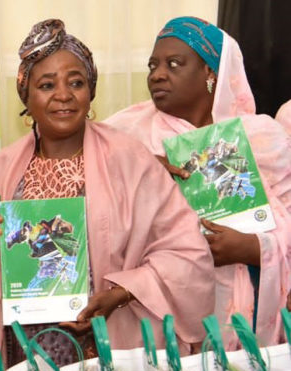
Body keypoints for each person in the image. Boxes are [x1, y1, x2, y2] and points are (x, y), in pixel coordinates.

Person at [0, 19, 214, 366]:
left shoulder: (128, 158)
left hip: (110, 343)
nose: (63, 95)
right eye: (46, 84)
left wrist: (120, 294)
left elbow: (186, 251)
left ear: (90, 92)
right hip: (26, 351)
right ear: (26, 96)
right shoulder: (6, 166)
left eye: (76, 82)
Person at [106, 17, 291, 348]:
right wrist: (140, 173)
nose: (157, 74)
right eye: (153, 65)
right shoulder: (128, 137)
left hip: (251, 309)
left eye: (174, 64)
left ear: (211, 74)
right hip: (167, 317)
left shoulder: (263, 138)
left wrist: (253, 249)